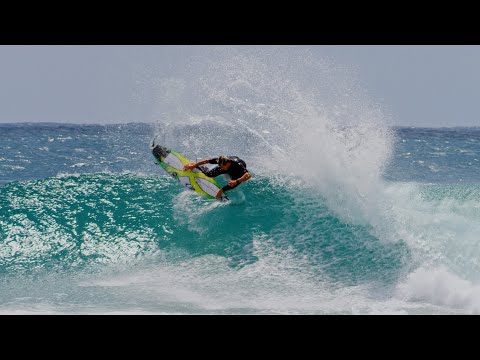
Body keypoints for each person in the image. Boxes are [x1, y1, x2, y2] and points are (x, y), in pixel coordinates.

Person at [184, 155, 251, 199]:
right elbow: (207, 161)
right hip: (227, 168)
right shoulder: (222, 160)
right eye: (220, 166)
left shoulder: (238, 165)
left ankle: (222, 190)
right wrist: (195, 165)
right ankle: (198, 166)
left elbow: (248, 175)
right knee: (209, 174)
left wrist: (237, 181)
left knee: (232, 184)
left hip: (237, 172)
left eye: (222, 166)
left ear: (228, 164)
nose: (220, 168)